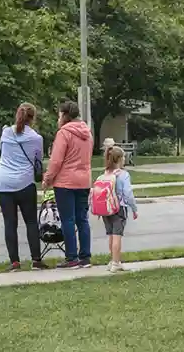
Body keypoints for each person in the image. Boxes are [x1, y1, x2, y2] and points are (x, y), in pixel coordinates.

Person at [0, 102, 47, 271]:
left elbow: (2, 151)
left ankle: (14, 262)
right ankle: (36, 260)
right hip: (25, 182)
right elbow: (38, 159)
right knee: (31, 221)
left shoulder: (6, 132)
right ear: (33, 118)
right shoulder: (36, 138)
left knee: (10, 223)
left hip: (3, 182)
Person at [43, 101, 94, 269]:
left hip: (65, 182)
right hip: (84, 181)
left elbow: (56, 160)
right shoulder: (88, 133)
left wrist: (48, 178)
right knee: (82, 219)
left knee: (68, 220)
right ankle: (85, 257)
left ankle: (71, 257)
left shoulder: (63, 133)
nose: (58, 118)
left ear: (65, 115)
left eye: (59, 115)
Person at [98, 145, 138, 273]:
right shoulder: (123, 174)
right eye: (124, 157)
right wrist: (134, 208)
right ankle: (116, 262)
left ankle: (113, 260)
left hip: (106, 209)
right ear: (120, 159)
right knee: (117, 236)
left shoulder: (105, 173)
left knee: (110, 235)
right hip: (119, 208)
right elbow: (128, 193)